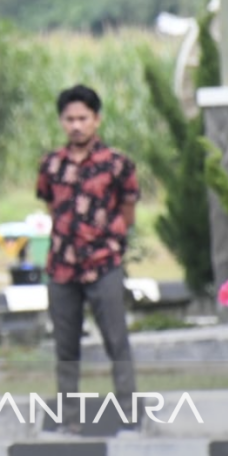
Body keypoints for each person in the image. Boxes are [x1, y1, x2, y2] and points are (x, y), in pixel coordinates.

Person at [36, 84, 139, 434]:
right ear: (61, 122)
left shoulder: (118, 165)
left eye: (83, 118)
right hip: (62, 268)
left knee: (116, 341)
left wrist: (108, 241)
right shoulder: (51, 165)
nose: (76, 125)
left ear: (97, 119)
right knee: (65, 348)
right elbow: (51, 206)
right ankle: (70, 420)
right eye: (69, 119)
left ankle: (129, 416)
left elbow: (128, 212)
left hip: (104, 265)